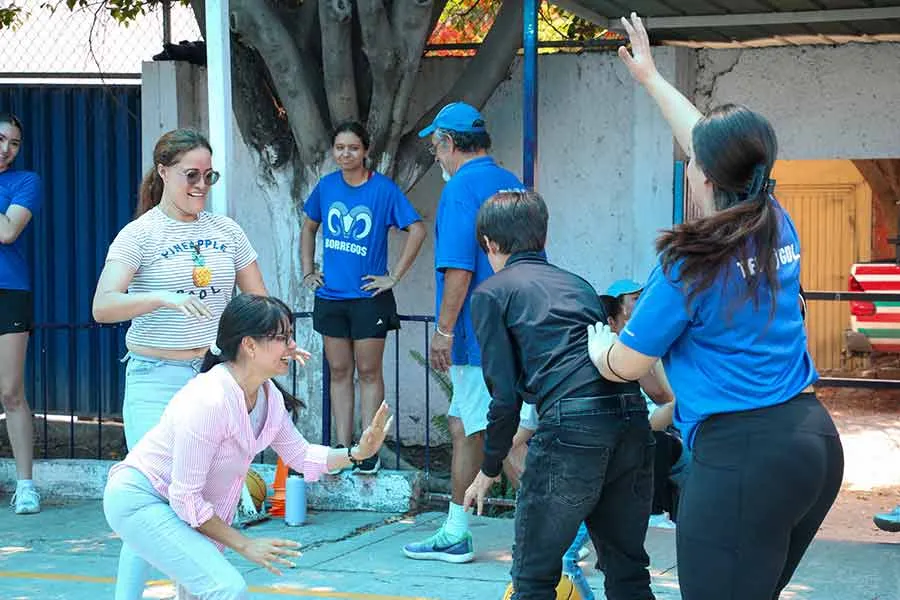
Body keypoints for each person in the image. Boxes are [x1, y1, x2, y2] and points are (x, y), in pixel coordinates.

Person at [587, 14, 844, 600]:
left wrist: (602, 347)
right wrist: (651, 79)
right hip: (812, 445)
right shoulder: (774, 219)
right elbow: (712, 144)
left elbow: (628, 365)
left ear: (702, 175)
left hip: (741, 459)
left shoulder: (690, 261)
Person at [103, 294, 393, 600]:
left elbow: (302, 455)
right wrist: (245, 545)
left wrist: (356, 453)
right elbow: (185, 497)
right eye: (283, 338)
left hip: (178, 504)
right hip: (141, 501)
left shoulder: (268, 396)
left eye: (291, 336)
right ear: (250, 345)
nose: (293, 346)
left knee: (203, 592)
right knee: (226, 588)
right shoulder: (209, 401)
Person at [92, 128, 268, 599]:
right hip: (155, 378)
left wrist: (277, 346)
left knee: (201, 504)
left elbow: (259, 304)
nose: (201, 185)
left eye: (209, 176)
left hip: (211, 381)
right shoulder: (140, 235)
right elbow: (103, 305)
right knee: (151, 503)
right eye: (191, 175)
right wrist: (160, 297)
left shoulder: (226, 232)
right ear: (164, 172)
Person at [463, 190, 655, 600]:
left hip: (572, 427)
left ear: (490, 244)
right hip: (632, 418)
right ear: (543, 238)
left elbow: (504, 397)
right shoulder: (578, 286)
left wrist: (489, 467)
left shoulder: (491, 293)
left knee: (533, 577)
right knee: (628, 572)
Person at [403, 102, 524, 563]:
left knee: (496, 434)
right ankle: (455, 529)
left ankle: (565, 531)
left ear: (449, 143)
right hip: (516, 323)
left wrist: (444, 331)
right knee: (463, 426)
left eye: (436, 147)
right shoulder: (510, 183)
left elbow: (458, 269)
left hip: (478, 334)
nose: (436, 156)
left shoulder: (459, 190)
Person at [301, 121, 425, 474]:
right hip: (331, 297)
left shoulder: (383, 189)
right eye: (340, 147)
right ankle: (344, 449)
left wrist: (394, 276)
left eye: (353, 148)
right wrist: (308, 271)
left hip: (369, 298)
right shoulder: (326, 187)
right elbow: (308, 226)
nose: (345, 154)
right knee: (339, 371)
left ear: (366, 151)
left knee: (369, 372)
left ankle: (369, 451)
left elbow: (417, 229)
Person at [0, 113, 43, 515]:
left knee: (11, 391)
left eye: (13, 143)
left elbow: (7, 231)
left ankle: (26, 486)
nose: (6, 150)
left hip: (9, 290)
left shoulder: (25, 181)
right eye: (0, 140)